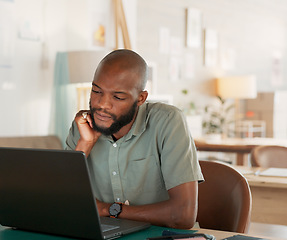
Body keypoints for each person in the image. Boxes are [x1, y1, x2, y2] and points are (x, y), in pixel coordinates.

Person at [65, 49, 203, 229]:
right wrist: (85, 144)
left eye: (118, 97)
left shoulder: (168, 122)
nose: (102, 104)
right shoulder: (83, 126)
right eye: (96, 91)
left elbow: (183, 215)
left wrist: (108, 210)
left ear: (141, 98)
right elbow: (63, 201)